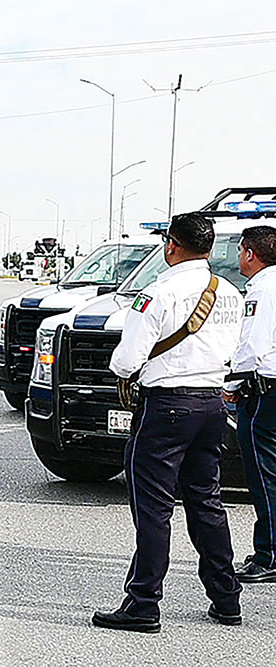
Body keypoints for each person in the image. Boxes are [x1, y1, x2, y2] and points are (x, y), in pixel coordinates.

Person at [95, 212, 245, 632]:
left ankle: (143, 603)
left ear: (171, 245)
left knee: (154, 508)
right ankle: (226, 597)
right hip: (211, 404)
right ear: (210, 248)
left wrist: (124, 372)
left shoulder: (158, 292)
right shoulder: (230, 292)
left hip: (166, 406)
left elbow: (127, 359)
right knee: (207, 501)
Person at [223, 225, 276, 584]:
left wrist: (231, 383)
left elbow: (252, 345)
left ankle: (269, 554)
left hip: (263, 392)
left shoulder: (262, 288)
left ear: (250, 253)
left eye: (240, 250)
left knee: (263, 475)